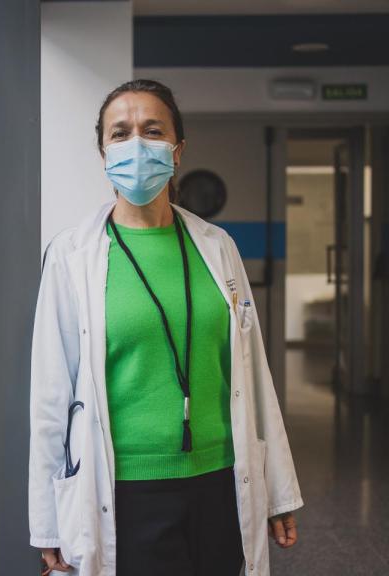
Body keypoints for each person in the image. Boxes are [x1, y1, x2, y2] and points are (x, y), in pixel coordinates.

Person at [29, 79, 302, 575]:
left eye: (152, 130)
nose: (137, 143)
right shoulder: (71, 256)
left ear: (177, 151)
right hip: (125, 490)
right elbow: (50, 396)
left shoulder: (217, 247)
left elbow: (252, 374)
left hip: (222, 481)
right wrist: (49, 522)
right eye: (121, 132)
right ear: (103, 151)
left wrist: (278, 489)